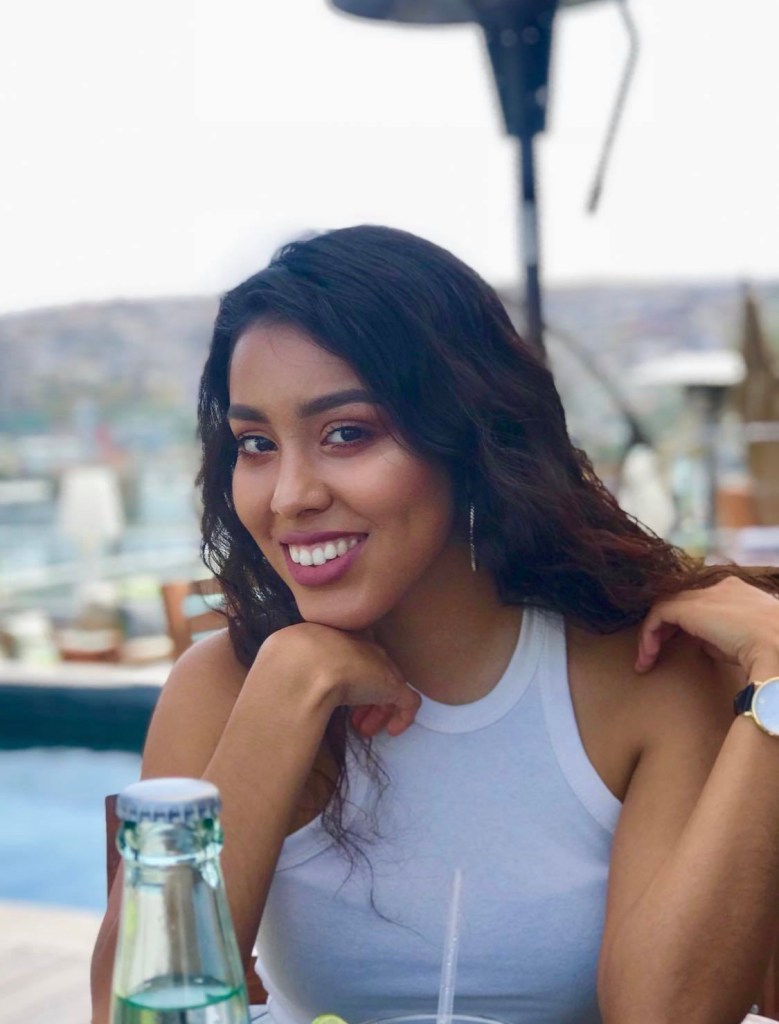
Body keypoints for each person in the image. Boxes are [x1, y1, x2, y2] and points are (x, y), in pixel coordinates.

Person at [91, 226, 779, 1024]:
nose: (289, 496)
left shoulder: (639, 675)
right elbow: (126, 1015)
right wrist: (285, 688)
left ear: (466, 434)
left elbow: (668, 1015)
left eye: (346, 433)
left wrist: (777, 679)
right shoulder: (223, 687)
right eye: (255, 443)